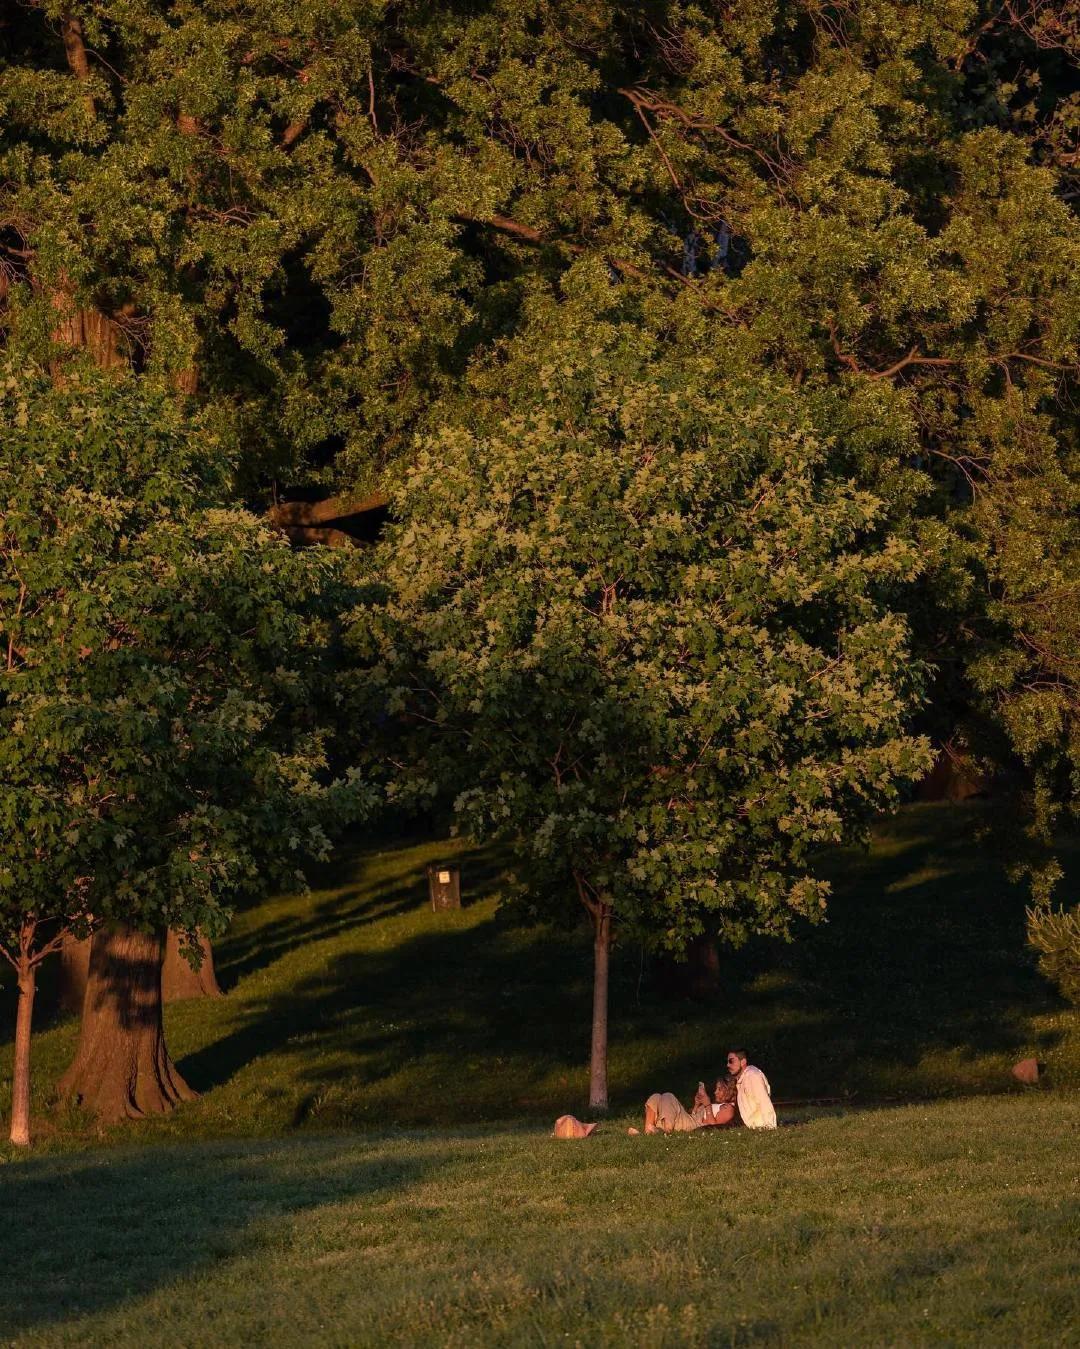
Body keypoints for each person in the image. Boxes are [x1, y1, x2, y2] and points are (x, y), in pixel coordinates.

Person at [726, 1048, 777, 1129]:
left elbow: (764, 1102)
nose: (728, 1065)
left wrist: (770, 1127)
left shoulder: (752, 1076)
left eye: (731, 1061)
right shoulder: (743, 1078)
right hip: (749, 1126)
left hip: (758, 1126)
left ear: (743, 1062)